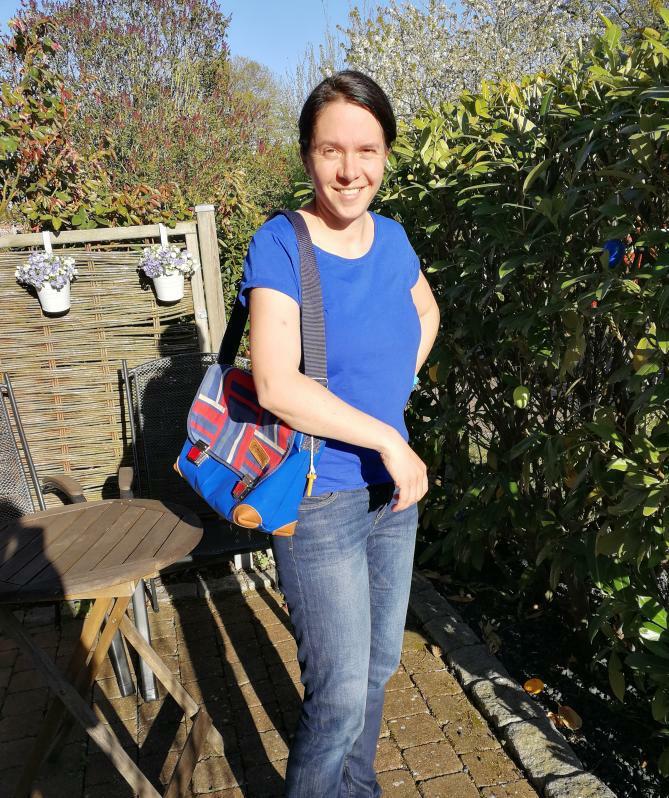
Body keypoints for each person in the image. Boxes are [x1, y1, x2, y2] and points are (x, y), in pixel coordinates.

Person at [238, 70, 440, 798]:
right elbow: (275, 384)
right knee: (337, 697)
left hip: (392, 497)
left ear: (385, 154)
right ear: (306, 155)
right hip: (320, 496)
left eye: (367, 150)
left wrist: (397, 387)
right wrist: (386, 436)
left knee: (378, 669)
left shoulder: (394, 239)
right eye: (331, 150)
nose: (350, 170)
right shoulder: (280, 244)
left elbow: (427, 314)